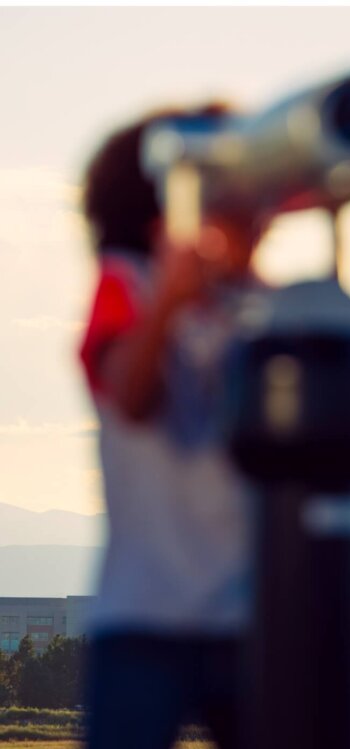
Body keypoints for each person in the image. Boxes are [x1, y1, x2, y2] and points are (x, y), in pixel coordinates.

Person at [79, 106, 264, 749]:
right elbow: (130, 397)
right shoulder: (126, 286)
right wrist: (170, 302)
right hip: (144, 614)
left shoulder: (255, 305)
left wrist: (242, 275)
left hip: (247, 615)